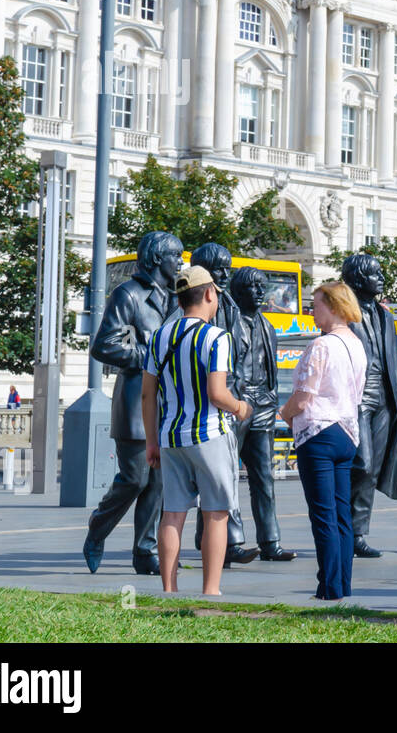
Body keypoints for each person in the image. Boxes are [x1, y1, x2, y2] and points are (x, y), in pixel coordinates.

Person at [142, 266, 252, 596]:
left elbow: (147, 394)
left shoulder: (160, 335)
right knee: (216, 513)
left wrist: (151, 440)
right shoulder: (217, 338)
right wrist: (240, 407)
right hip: (209, 434)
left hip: (170, 437)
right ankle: (211, 590)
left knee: (172, 514)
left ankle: (169, 589)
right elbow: (217, 393)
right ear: (207, 294)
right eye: (216, 293)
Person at [83, 230, 182, 576]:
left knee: (157, 482)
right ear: (157, 258)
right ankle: (99, 526)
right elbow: (103, 346)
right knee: (135, 479)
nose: (181, 262)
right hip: (136, 401)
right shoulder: (129, 294)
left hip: (167, 403)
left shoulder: (175, 297)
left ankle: (145, 552)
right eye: (176, 256)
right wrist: (149, 354)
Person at [280, 283, 368, 600]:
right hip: (346, 431)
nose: (311, 311)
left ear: (332, 306)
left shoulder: (321, 346)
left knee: (323, 514)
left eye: (315, 304)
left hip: (318, 432)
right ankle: (342, 584)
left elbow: (304, 397)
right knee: (342, 514)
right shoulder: (356, 344)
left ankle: (328, 588)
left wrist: (285, 412)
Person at [182, 243, 259, 567]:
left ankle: (224, 543)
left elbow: (240, 349)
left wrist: (239, 388)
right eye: (219, 269)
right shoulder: (190, 312)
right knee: (213, 480)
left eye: (228, 267)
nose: (226, 274)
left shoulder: (230, 303)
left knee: (224, 478)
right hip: (206, 406)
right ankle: (221, 544)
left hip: (229, 398)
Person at [342, 253, 397, 559]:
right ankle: (345, 529)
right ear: (359, 279)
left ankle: (358, 534)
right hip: (356, 396)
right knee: (363, 463)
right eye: (376, 275)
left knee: (372, 471)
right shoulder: (343, 311)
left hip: (384, 399)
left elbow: (393, 362)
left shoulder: (385, 316)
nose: (382, 279)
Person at [228, 267, 295, 561]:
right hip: (236, 403)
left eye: (261, 287)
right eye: (253, 287)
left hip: (264, 403)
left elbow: (270, 369)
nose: (259, 292)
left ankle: (270, 542)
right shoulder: (229, 323)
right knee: (225, 476)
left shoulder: (267, 326)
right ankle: (226, 543)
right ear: (239, 291)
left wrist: (270, 397)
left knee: (264, 478)